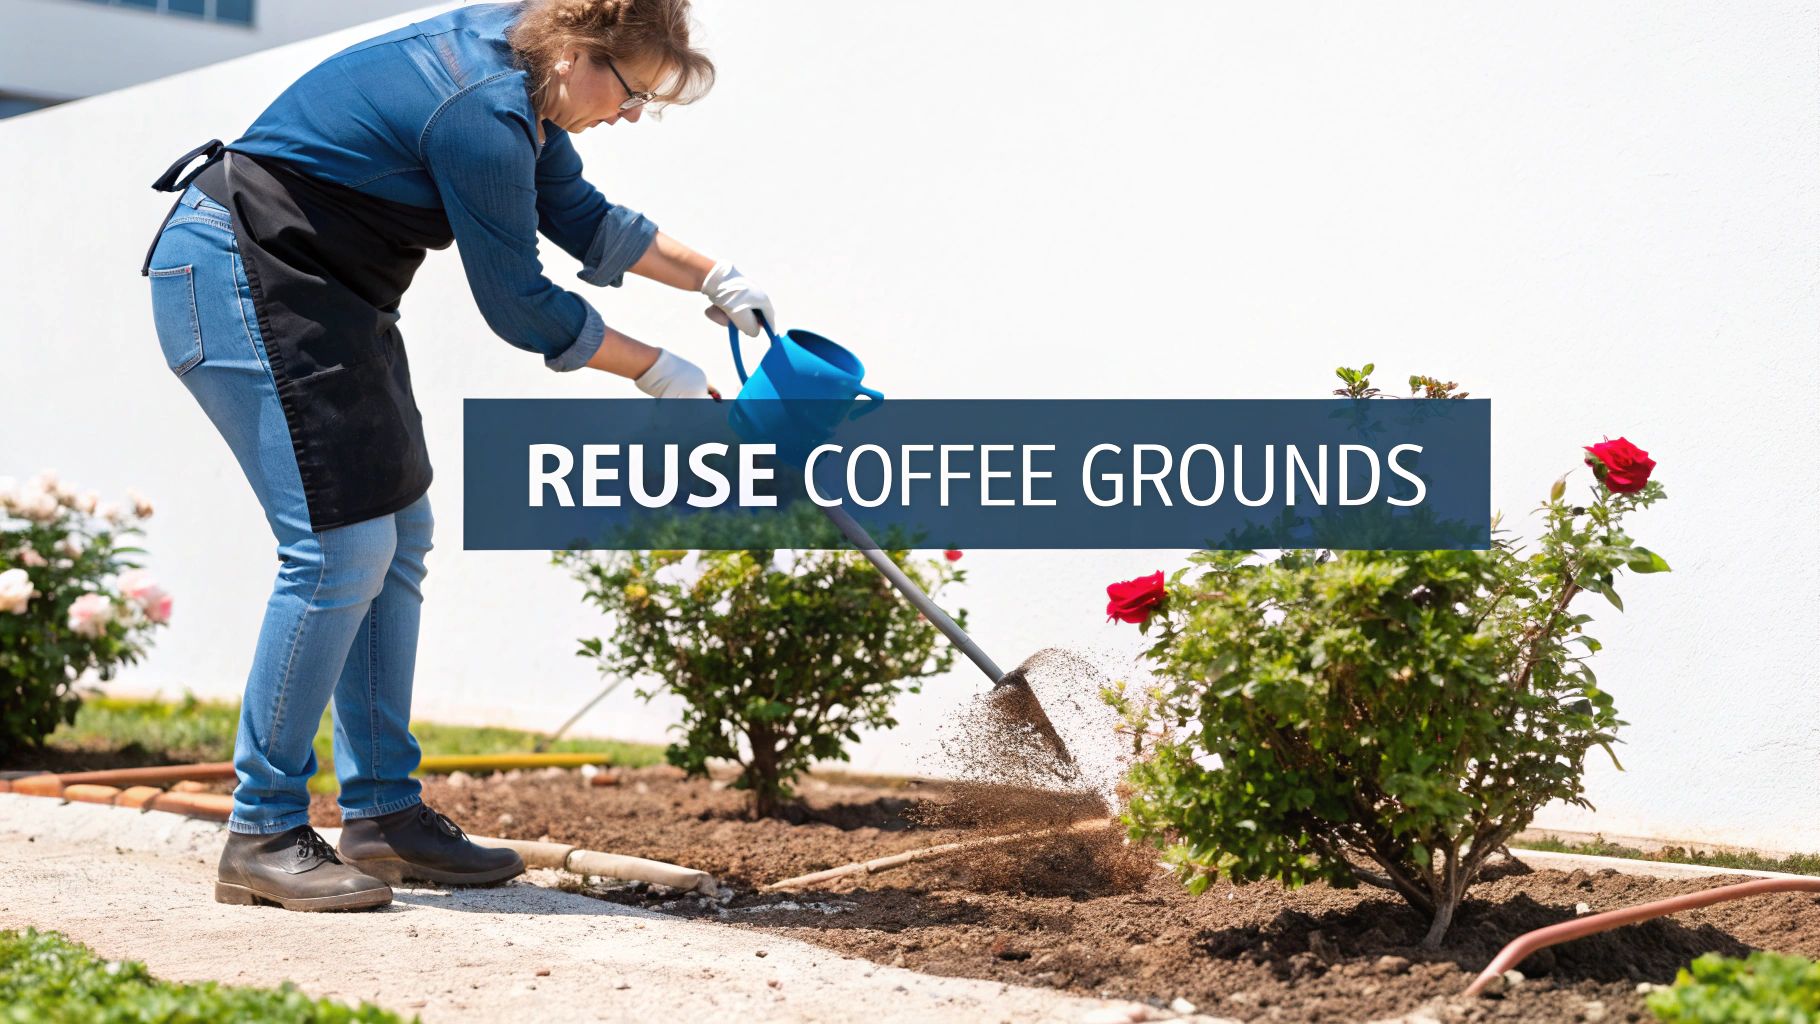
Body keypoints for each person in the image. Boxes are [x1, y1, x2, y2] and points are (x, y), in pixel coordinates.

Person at [141, 0, 768, 912]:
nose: (633, 116)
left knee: (398, 534)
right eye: (633, 94)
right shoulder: (482, 107)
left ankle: (384, 817)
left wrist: (716, 277)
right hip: (243, 270)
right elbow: (518, 304)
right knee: (338, 550)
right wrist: (655, 371)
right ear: (579, 54)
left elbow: (584, 218)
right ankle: (263, 828)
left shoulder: (524, 74)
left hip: (329, 295)